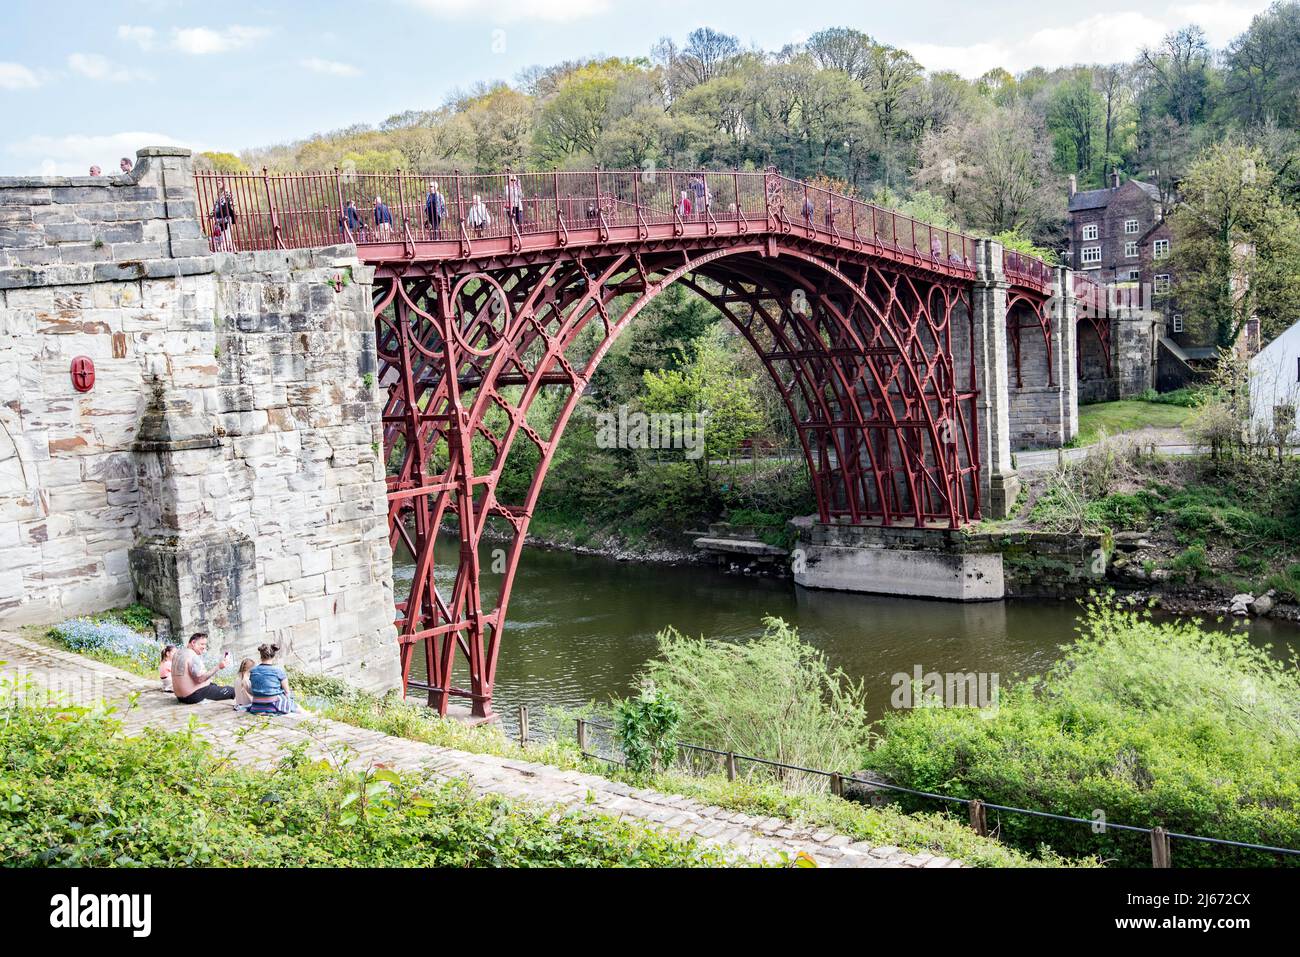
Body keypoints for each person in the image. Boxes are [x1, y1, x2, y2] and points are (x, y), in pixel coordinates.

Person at [172, 632, 235, 704]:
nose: (204, 647)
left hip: (181, 697)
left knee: (214, 685)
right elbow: (200, 679)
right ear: (193, 642)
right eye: (202, 644)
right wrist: (218, 666)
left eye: (205, 644)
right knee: (232, 691)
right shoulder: (192, 656)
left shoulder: (178, 653)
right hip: (193, 696)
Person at [246, 643, 297, 715]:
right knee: (292, 701)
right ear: (273, 656)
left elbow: (251, 689)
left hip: (257, 705)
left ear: (261, 656)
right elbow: (287, 691)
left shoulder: (253, 670)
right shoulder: (278, 671)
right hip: (273, 704)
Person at [210, 182, 237, 252]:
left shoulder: (227, 192)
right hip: (219, 218)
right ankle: (233, 249)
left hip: (226, 217)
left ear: (223, 183)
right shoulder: (218, 194)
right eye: (217, 182)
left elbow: (232, 204)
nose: (218, 183)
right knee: (224, 233)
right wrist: (212, 214)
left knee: (226, 233)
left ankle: (223, 248)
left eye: (220, 182)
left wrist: (231, 214)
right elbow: (216, 206)